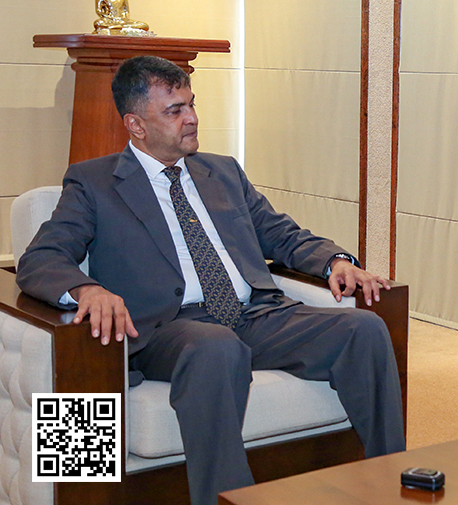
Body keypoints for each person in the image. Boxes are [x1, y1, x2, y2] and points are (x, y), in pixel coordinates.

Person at [16, 56, 405, 505]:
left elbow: (279, 234)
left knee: (364, 328)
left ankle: (389, 484)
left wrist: (334, 260)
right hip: (170, 330)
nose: (192, 118)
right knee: (216, 346)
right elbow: (41, 258)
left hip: (255, 314)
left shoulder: (222, 171)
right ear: (136, 124)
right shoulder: (94, 183)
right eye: (175, 110)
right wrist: (88, 288)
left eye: (192, 104)